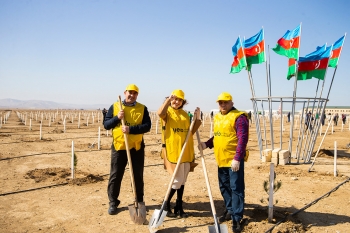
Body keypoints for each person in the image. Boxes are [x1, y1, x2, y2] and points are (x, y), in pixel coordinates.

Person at [198, 92, 249, 233]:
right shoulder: (219, 116)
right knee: (224, 187)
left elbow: (242, 139)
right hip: (221, 159)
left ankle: (237, 218)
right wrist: (207, 144)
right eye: (220, 102)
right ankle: (230, 210)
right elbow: (219, 135)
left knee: (236, 189)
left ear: (231, 102)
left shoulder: (240, 117)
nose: (223, 104)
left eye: (225, 102)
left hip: (233, 161)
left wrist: (237, 158)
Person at [103, 84, 151, 215]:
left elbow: (147, 126)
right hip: (119, 146)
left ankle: (139, 200)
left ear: (137, 95)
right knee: (115, 175)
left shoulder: (142, 108)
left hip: (136, 147)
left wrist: (131, 130)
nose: (132, 95)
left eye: (135, 93)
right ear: (125, 93)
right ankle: (113, 202)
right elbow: (106, 125)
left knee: (137, 175)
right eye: (130, 92)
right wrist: (117, 118)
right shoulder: (115, 106)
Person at [157, 89, 201, 218]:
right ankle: (165, 204)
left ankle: (179, 206)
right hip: (172, 150)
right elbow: (160, 113)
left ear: (183, 102)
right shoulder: (167, 112)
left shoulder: (184, 114)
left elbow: (191, 131)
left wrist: (197, 117)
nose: (176, 102)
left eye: (179, 100)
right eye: (174, 99)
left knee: (182, 181)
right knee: (177, 180)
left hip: (186, 150)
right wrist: (167, 101)